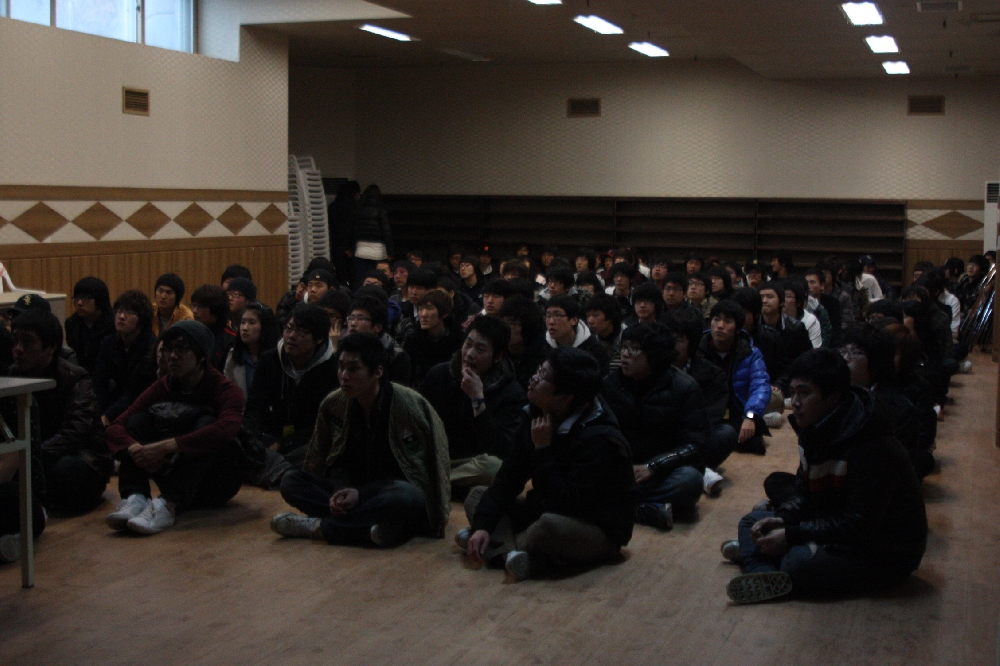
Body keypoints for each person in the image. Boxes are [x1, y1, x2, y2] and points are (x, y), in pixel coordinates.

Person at [721, 349, 927, 604]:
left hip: (881, 552)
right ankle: (763, 572)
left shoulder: (871, 444)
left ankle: (762, 559)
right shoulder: (815, 426)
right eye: (793, 392)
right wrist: (783, 519)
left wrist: (791, 535)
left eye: (805, 393)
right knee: (752, 521)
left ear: (833, 397)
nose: (795, 402)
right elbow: (804, 493)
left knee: (798, 562)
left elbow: (858, 526)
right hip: (833, 523)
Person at [457, 347, 636, 581]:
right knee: (478, 496)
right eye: (539, 370)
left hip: (592, 527)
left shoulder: (600, 439)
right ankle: (511, 554)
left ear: (565, 397)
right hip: (544, 508)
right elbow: (509, 477)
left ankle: (499, 546)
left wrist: (543, 450)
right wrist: (483, 525)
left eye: (543, 377)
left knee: (547, 528)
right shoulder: (537, 413)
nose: (534, 378)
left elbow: (568, 504)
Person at [271, 332, 450, 547]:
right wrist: (339, 492)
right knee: (291, 481)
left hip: (385, 491)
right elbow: (329, 458)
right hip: (352, 491)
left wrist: (361, 494)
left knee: (406, 495)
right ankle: (369, 528)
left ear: (378, 372)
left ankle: (320, 527)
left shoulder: (408, 405)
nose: (344, 376)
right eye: (341, 367)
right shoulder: (334, 403)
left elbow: (417, 471)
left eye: (353, 369)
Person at [104, 321, 245, 535]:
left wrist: (168, 446)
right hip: (172, 472)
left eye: (181, 349)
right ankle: (135, 497)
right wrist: (136, 449)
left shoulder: (224, 388)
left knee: (208, 424)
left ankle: (168, 505)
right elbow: (116, 426)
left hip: (216, 481)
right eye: (168, 349)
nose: (172, 356)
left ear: (202, 355)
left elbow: (228, 428)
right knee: (137, 423)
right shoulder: (164, 385)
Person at [601, 323, 708, 527]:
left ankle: (616, 505)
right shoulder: (611, 384)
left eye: (634, 349)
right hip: (623, 468)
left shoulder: (685, 387)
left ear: (654, 355)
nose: (625, 354)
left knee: (689, 480)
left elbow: (696, 444)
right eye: (624, 347)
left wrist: (653, 466)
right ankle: (641, 510)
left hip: (661, 470)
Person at [5, 311, 111, 513]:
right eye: (16, 341)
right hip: (33, 456)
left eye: (28, 342)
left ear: (52, 347)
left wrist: (28, 455)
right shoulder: (12, 375)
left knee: (65, 471)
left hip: (77, 457)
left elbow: (75, 433)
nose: (18, 349)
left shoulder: (75, 377)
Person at [421, 316, 526, 492]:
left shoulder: (511, 392)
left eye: (480, 349)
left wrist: (477, 400)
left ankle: (433, 482)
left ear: (497, 357)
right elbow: (417, 420)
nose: (469, 354)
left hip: (468, 464)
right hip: (434, 456)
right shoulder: (439, 374)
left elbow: (501, 450)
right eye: (468, 344)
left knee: (495, 468)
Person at [243, 303, 337, 471]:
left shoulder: (332, 369)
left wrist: (283, 443)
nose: (291, 336)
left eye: (301, 332)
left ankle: (272, 469)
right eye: (288, 328)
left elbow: (324, 424)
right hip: (269, 437)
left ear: (319, 339)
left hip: (305, 441)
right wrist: (253, 440)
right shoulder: (270, 360)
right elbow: (255, 407)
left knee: (316, 453)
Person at [695, 300, 771, 456]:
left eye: (727, 321)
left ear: (738, 329)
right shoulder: (696, 349)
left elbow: (760, 385)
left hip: (736, 411)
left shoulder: (750, 353)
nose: (720, 326)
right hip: (704, 412)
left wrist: (750, 416)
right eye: (716, 319)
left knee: (753, 443)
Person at [92, 290, 159, 426]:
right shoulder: (109, 343)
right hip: (115, 401)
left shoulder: (151, 347)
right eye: (119, 311)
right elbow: (99, 382)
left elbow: (136, 392)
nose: (122, 317)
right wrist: (96, 413)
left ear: (142, 320)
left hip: (143, 406)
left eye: (130, 313)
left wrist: (107, 416)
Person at [345, 295, 411, 385]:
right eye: (351, 318)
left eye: (361, 318)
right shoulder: (344, 349)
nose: (353, 323)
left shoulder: (396, 356)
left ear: (378, 327)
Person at [403, 289, 464, 386]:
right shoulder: (412, 340)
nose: (423, 314)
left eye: (429, 308)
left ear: (445, 313)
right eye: (420, 309)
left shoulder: (459, 340)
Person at [223, 302, 280, 404]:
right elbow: (228, 390)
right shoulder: (234, 355)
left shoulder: (277, 357)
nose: (245, 328)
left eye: (252, 323)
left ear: (265, 326)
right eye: (243, 322)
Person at [544, 296, 610, 377]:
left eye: (557, 316)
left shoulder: (595, 350)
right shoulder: (542, 347)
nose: (551, 321)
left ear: (574, 320)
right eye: (548, 316)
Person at [64, 277, 114, 374]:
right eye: (76, 298)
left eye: (87, 298)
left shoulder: (113, 324)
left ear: (100, 299)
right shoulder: (71, 323)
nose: (79, 303)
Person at [499, 295, 549, 392]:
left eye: (512, 323)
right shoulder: (498, 354)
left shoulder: (543, 360)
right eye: (503, 322)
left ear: (528, 326)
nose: (505, 328)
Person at [351, 184, 393, 287]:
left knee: (360, 279)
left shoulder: (358, 208)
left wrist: (350, 247)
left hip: (361, 249)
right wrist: (390, 251)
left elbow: (351, 229)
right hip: (379, 250)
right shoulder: (381, 209)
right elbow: (386, 231)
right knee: (379, 278)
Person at [189, 284, 236, 371]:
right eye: (193, 305)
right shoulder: (191, 333)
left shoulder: (231, 339)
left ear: (215, 310)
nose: (194, 311)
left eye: (199, 307)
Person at [390, 268, 437, 344]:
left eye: (420, 288)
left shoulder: (438, 312)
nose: (414, 292)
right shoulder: (401, 311)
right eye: (411, 287)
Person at [585, 293, 626, 374]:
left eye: (595, 315)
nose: (590, 321)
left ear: (610, 317)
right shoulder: (589, 341)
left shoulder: (627, 338)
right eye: (588, 315)